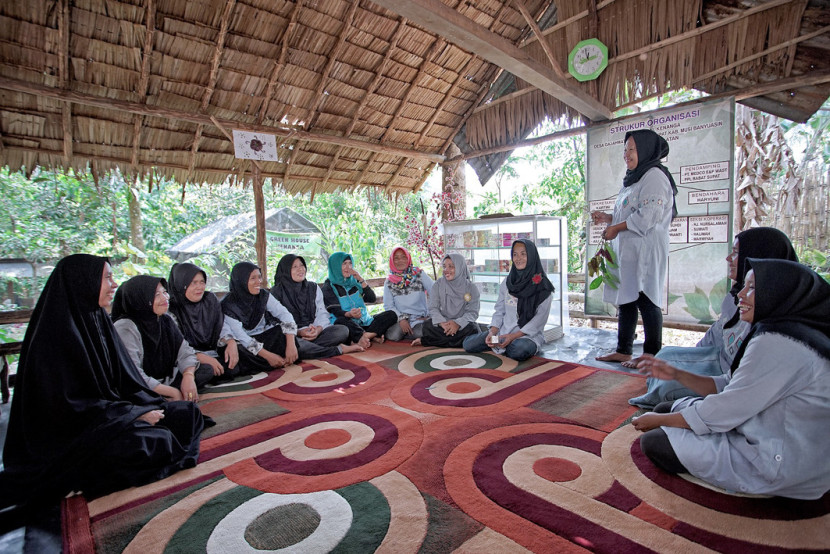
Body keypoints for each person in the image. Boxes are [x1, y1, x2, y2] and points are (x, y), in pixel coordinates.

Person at [0, 254, 205, 507]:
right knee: (154, 443)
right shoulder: (54, 336)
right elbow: (68, 408)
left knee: (187, 413)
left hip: (113, 414)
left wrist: (142, 408)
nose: (114, 284)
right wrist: (132, 416)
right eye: (107, 277)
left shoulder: (98, 320)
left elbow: (125, 381)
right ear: (83, 282)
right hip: (77, 435)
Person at [632, 259, 830, 500]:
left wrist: (659, 420)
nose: (741, 295)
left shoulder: (779, 344)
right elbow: (731, 383)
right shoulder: (782, 331)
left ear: (778, 291)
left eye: (753, 288)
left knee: (655, 442)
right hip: (771, 432)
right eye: (744, 286)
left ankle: (743, 490)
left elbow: (726, 408)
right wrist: (676, 374)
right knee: (666, 409)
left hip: (781, 462)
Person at [628, 227, 798, 409]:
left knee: (667, 387)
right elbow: (717, 333)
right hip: (721, 363)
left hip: (735, 379)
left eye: (736, 253)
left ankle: (678, 400)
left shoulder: (775, 321)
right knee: (666, 355)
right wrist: (686, 360)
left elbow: (744, 382)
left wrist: (683, 372)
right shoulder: (738, 294)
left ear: (757, 256)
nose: (728, 259)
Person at [592, 129, 677, 367]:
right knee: (627, 298)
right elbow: (627, 213)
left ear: (646, 149)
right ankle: (624, 349)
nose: (626, 154)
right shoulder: (634, 178)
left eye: (632, 149)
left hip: (646, 251)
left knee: (646, 297)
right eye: (625, 149)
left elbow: (649, 216)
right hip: (630, 251)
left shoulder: (654, 176)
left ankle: (652, 354)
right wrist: (608, 218)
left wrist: (616, 228)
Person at [113, 275, 211, 402]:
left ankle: (164, 395)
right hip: (140, 384)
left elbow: (185, 352)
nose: (165, 298)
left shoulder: (165, 319)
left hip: (167, 378)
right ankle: (161, 397)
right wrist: (172, 392)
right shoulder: (126, 327)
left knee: (206, 370)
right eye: (156, 295)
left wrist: (188, 377)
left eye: (164, 292)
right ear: (140, 299)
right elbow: (132, 373)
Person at [463, 239, 555, 361]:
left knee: (519, 350)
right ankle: (499, 343)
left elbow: (538, 322)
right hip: (503, 332)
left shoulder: (543, 288)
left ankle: (505, 345)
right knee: (468, 344)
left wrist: (512, 337)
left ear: (532, 256)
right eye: (515, 254)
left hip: (526, 336)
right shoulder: (508, 282)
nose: (518, 258)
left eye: (523, 254)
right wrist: (492, 332)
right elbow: (499, 311)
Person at [168, 262, 257, 382]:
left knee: (240, 353)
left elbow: (220, 325)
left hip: (213, 350)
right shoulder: (171, 309)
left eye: (202, 282)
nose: (199, 287)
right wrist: (200, 357)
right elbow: (177, 345)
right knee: (205, 370)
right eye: (194, 283)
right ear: (181, 283)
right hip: (189, 357)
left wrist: (231, 342)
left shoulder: (209, 299)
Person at [271, 254, 363, 358]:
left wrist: (318, 329)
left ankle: (308, 350)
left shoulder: (312, 287)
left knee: (342, 331)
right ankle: (338, 349)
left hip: (315, 333)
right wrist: (299, 332)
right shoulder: (277, 292)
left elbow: (322, 313)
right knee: (290, 344)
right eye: (295, 267)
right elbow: (275, 322)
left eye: (302, 265)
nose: (300, 269)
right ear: (286, 270)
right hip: (293, 336)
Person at [221, 262, 300, 371]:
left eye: (259, 277)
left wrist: (291, 345)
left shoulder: (263, 295)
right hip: (245, 343)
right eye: (253, 278)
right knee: (238, 352)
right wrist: (268, 356)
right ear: (241, 281)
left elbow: (284, 314)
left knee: (283, 333)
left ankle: (277, 360)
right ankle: (274, 361)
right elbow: (242, 337)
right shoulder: (228, 305)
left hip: (262, 337)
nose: (258, 282)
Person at [320, 252, 397, 349]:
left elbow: (371, 298)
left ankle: (365, 337)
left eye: (350, 263)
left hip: (364, 322)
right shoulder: (328, 287)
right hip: (349, 325)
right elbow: (337, 311)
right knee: (341, 322)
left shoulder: (354, 282)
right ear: (335, 266)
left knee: (391, 314)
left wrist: (360, 279)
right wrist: (350, 314)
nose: (348, 267)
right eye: (344, 264)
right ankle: (371, 336)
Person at [414, 252, 480, 348]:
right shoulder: (438, 285)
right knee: (427, 325)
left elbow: (472, 312)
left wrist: (457, 324)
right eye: (444, 267)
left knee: (473, 329)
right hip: (443, 324)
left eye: (451, 267)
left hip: (462, 325)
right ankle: (458, 343)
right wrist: (442, 323)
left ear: (460, 267)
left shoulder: (471, 288)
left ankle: (431, 341)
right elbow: (433, 308)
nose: (446, 270)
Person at [383, 246, 434, 341]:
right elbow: (388, 306)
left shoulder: (419, 274)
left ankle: (411, 333)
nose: (400, 261)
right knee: (393, 336)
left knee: (420, 332)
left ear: (408, 258)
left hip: (419, 319)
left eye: (403, 257)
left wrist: (430, 314)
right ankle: (408, 333)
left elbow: (435, 291)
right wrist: (401, 319)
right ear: (392, 261)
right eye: (396, 258)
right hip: (401, 319)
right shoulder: (389, 282)